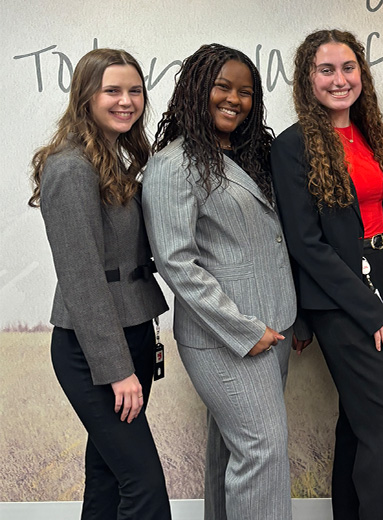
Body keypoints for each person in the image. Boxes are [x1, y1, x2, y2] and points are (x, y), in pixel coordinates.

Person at [142, 44, 300, 520]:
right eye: (223, 87)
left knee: (232, 454)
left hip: (276, 325)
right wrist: (245, 332)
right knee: (263, 452)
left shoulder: (253, 155)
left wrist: (294, 318)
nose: (235, 99)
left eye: (246, 92)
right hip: (226, 336)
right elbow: (177, 264)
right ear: (196, 89)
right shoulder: (173, 165)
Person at [271, 29, 383, 520]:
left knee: (360, 424)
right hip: (342, 297)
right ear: (307, 79)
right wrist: (368, 309)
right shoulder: (292, 146)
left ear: (362, 74)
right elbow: (306, 244)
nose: (340, 79)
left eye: (348, 68)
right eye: (326, 70)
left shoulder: (372, 133)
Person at [29, 48, 171, 519]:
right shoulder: (70, 168)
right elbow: (82, 279)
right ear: (87, 97)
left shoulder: (112, 158)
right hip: (91, 350)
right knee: (144, 485)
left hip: (131, 333)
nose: (126, 101)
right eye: (113, 90)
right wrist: (115, 370)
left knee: (109, 478)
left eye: (134, 91)